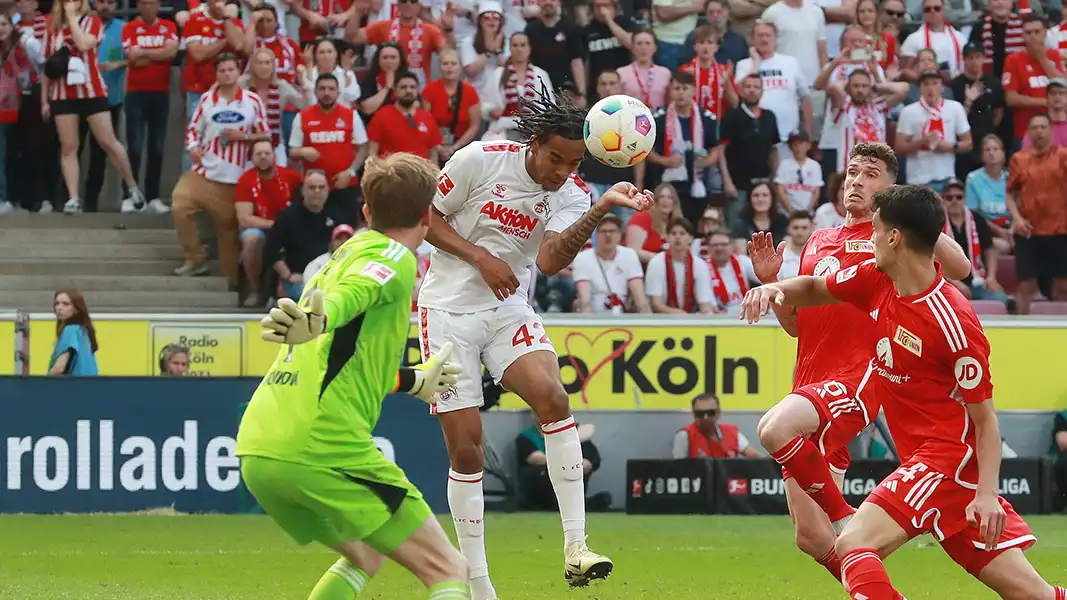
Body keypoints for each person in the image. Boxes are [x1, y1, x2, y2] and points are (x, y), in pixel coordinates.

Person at [740, 184, 1067, 600]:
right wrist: (776, 288)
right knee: (1033, 595)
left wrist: (987, 495)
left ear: (894, 237)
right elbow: (816, 288)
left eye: (874, 230)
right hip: (937, 468)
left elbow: (985, 421)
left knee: (854, 544)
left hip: (944, 461)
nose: (868, 239)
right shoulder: (877, 279)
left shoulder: (954, 323)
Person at [417, 88, 652, 598]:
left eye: (573, 163)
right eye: (555, 158)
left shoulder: (571, 192)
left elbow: (549, 260)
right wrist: (481, 256)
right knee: (466, 451)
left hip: (507, 308)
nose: (562, 171)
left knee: (553, 397)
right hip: (446, 311)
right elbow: (425, 217)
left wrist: (601, 208)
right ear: (535, 142)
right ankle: (477, 583)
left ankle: (576, 547)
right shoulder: (480, 159)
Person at [237, 153, 473, 600]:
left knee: (366, 553)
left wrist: (411, 381)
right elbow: (354, 294)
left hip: (260, 446)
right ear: (427, 215)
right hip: (321, 447)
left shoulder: (342, 253)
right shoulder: (394, 258)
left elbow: (350, 358)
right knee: (448, 568)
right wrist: (320, 320)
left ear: (365, 212)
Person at [750, 142, 971, 584]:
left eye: (871, 174)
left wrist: (908, 211)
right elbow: (797, 327)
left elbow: (961, 267)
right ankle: (876, 590)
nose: (856, 180)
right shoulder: (819, 238)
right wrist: (772, 282)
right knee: (811, 537)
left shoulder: (894, 238)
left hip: (859, 376)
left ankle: (846, 512)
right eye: (853, 172)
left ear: (890, 189)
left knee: (774, 429)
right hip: (809, 381)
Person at [173, 53, 269, 286]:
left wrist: (242, 137)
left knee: (228, 238)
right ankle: (195, 258)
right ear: (217, 74)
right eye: (222, 70)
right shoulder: (206, 100)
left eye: (231, 70)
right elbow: (193, 130)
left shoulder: (252, 101)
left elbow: (266, 134)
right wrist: (194, 148)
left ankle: (235, 283)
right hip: (204, 173)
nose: (227, 74)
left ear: (238, 72)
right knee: (179, 204)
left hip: (236, 180)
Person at [43, 0, 144, 214]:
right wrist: (45, 99)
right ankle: (73, 198)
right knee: (68, 145)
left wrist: (71, 19)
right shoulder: (50, 27)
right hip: (62, 92)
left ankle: (132, 187)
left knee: (107, 141)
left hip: (91, 90)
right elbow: (47, 64)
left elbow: (84, 44)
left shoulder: (93, 22)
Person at [49, 287, 99, 376]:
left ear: (77, 309)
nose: (59, 308)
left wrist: (44, 383)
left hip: (73, 387)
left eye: (66, 304)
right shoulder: (84, 332)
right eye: (57, 303)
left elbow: (59, 368)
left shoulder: (70, 330)